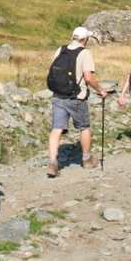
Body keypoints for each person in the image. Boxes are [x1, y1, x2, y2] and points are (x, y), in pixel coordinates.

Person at [46, 27, 110, 178]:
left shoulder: (60, 50)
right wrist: (100, 90)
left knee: (57, 129)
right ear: (84, 39)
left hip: (58, 95)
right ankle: (87, 159)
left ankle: (52, 162)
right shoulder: (85, 53)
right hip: (76, 98)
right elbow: (88, 77)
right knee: (84, 127)